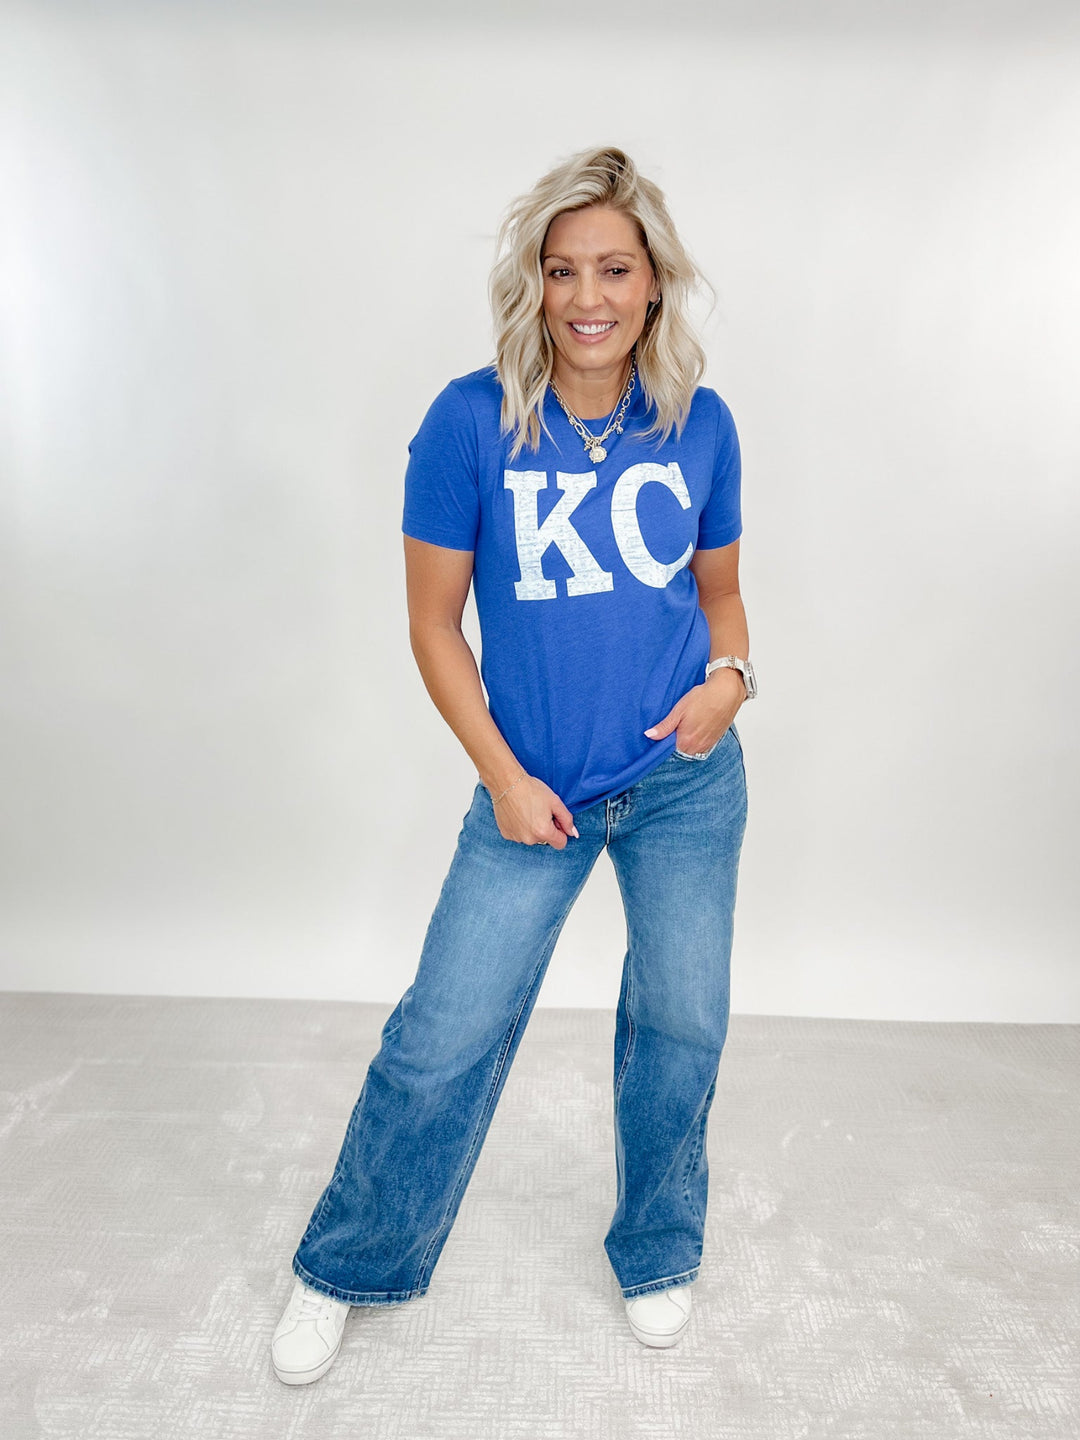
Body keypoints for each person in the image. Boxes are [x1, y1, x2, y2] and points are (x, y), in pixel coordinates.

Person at [271, 145, 755, 1385]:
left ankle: (658, 1248)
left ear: (655, 282)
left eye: (614, 269)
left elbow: (721, 593)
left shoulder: (700, 424)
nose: (587, 296)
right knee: (445, 1029)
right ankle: (350, 1262)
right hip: (530, 787)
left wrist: (731, 681)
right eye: (561, 270)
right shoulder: (469, 421)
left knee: (682, 1023)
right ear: (533, 283)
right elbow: (434, 626)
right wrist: (499, 773)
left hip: (685, 784)